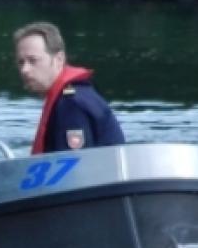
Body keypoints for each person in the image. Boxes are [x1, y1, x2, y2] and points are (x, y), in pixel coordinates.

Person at [13, 21, 125, 154]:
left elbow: (75, 166)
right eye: (21, 62)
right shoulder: (80, 95)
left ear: (59, 59)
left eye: (33, 60)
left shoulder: (71, 104)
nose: (24, 70)